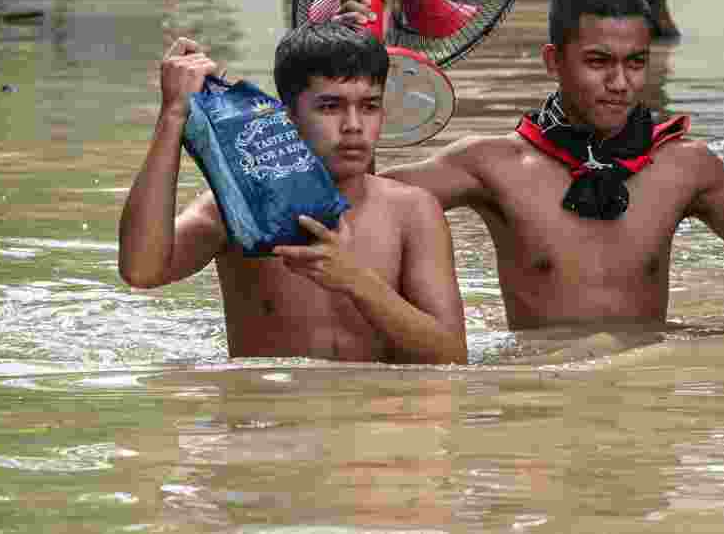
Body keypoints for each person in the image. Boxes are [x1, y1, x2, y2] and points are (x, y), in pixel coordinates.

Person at [333, 0, 724, 331]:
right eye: (599, 61)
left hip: (646, 401)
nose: (620, 83)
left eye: (635, 62)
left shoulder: (684, 165)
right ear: (553, 62)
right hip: (544, 401)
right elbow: (359, 205)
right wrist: (360, 62)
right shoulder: (491, 166)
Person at [118, 22, 467, 363]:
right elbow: (141, 272)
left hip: (376, 418)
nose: (354, 126)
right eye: (330, 107)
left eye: (369, 106)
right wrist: (173, 115)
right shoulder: (240, 207)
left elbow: (451, 355)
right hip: (273, 417)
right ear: (287, 117)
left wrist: (356, 281)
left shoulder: (412, 211)